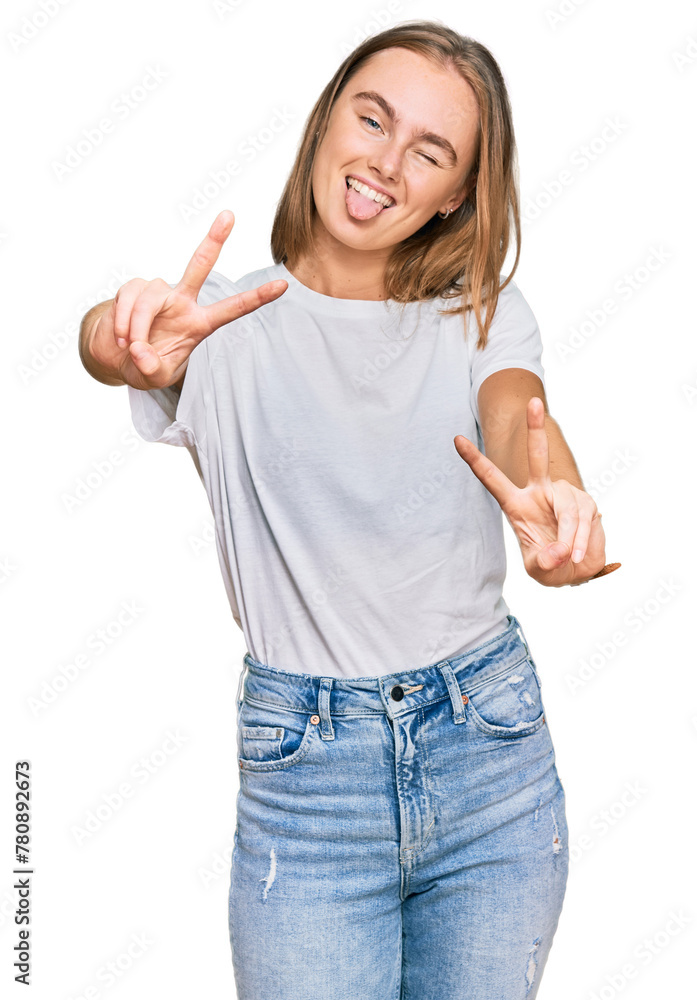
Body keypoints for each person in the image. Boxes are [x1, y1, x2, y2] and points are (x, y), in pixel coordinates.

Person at [79, 19, 620, 999]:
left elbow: (516, 414)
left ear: (456, 193)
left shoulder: (481, 312)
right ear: (328, 117)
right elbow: (113, 349)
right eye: (372, 119)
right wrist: (117, 338)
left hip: (488, 761)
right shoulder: (219, 324)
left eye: (430, 151)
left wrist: (556, 497)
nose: (385, 163)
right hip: (307, 783)